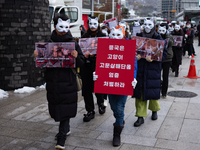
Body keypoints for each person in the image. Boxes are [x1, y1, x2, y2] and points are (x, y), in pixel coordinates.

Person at [35, 13, 84, 150]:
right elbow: (42, 63)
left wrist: (76, 57)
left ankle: (62, 136)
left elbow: (82, 62)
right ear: (55, 26)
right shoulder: (49, 43)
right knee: (56, 107)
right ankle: (66, 128)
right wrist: (37, 56)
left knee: (65, 107)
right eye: (60, 27)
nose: (63, 30)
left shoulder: (73, 43)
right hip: (53, 82)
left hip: (68, 82)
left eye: (66, 27)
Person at [94, 27, 138, 147]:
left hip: (123, 84)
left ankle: (116, 134)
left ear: (123, 35)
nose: (115, 37)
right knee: (114, 107)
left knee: (119, 108)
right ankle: (119, 119)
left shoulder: (129, 48)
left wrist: (133, 78)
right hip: (110, 84)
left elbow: (133, 65)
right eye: (113, 34)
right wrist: (97, 75)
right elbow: (101, 63)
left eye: (118, 34)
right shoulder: (105, 47)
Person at [133, 18, 168, 127]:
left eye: (150, 24)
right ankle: (140, 116)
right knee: (140, 94)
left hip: (153, 70)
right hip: (140, 69)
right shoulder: (137, 37)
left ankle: (154, 110)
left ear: (154, 26)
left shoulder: (158, 38)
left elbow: (164, 54)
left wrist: (154, 58)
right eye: (145, 24)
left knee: (152, 92)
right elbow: (130, 51)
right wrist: (134, 57)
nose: (147, 26)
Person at [81, 16, 107, 122]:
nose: (92, 26)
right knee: (87, 90)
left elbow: (106, 52)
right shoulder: (84, 36)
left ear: (98, 24)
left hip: (98, 66)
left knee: (98, 87)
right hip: (86, 67)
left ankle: (101, 104)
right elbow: (80, 51)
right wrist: (84, 55)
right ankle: (90, 110)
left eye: (95, 24)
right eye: (90, 24)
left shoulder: (103, 36)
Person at [158, 23, 174, 97]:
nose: (161, 32)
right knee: (157, 75)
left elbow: (171, 43)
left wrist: (167, 36)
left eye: (163, 30)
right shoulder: (157, 36)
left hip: (167, 59)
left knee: (165, 76)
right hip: (158, 58)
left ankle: (164, 91)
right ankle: (159, 88)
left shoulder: (170, 36)